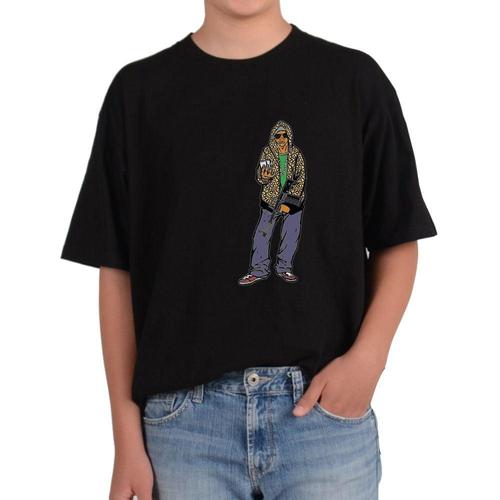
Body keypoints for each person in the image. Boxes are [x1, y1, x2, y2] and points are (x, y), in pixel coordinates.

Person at [61, 1, 437, 498]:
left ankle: (278, 265)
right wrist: (125, 438)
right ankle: (262, 264)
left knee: (287, 236)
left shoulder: (353, 82)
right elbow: (117, 272)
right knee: (264, 235)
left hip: (321, 419)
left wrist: (368, 361)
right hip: (184, 430)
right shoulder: (139, 94)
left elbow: (397, 239)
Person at [239, 119, 306, 285]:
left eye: (284, 135)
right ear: (273, 137)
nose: (281, 139)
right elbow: (261, 176)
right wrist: (264, 177)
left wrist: (288, 203)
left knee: (290, 235)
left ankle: (284, 268)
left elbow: (301, 179)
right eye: (278, 136)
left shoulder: (296, 154)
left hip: (292, 202)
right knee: (261, 235)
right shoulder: (267, 152)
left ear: (289, 136)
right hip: (270, 201)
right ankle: (258, 270)